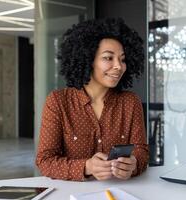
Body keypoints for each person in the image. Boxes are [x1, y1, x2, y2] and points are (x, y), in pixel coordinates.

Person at [36, 18, 149, 181]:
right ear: (88, 59)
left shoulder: (130, 102)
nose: (119, 66)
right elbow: (45, 161)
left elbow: (141, 152)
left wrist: (134, 163)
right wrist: (87, 167)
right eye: (108, 58)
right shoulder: (58, 102)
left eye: (122, 59)